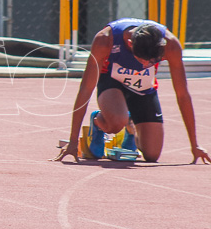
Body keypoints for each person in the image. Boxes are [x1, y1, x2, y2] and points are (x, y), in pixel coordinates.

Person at [53, 18, 209, 164]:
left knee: (152, 155)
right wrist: (73, 141)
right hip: (112, 83)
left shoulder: (171, 45)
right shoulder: (105, 40)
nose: (147, 65)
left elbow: (182, 95)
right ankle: (99, 121)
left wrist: (195, 145)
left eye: (153, 61)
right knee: (116, 123)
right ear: (129, 43)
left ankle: (130, 128)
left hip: (143, 88)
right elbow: (86, 89)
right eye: (142, 60)